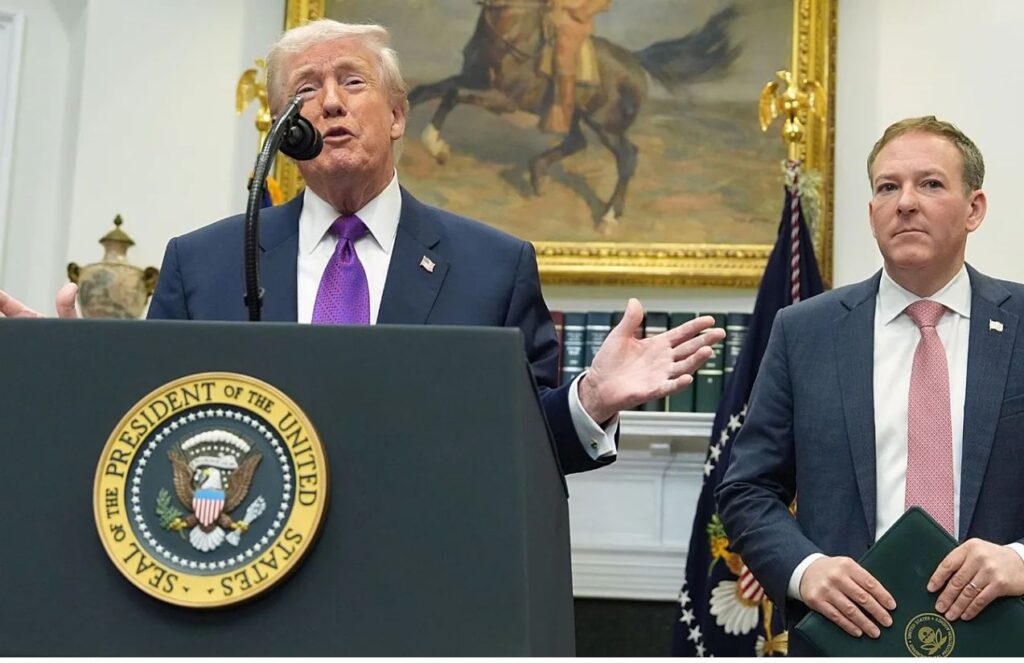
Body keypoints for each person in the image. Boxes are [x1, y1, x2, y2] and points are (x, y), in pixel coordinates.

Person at [0, 19, 723, 477]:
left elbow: (528, 453)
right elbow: (158, 426)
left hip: (421, 591)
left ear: (401, 114)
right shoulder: (206, 261)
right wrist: (71, 378)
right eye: (305, 90)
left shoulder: (493, 266)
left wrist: (591, 400)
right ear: (286, 127)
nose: (331, 103)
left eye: (352, 81)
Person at [716, 116, 1024, 652]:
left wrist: (1020, 560)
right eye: (888, 187)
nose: (905, 202)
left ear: (974, 208)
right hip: (847, 639)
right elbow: (746, 488)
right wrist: (804, 569)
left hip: (1002, 635)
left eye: (930, 183)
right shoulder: (803, 331)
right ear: (872, 212)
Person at [542, 0, 611, 134]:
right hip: (549, 11)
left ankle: (562, 114)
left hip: (573, 19)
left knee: (564, 51)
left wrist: (576, 10)